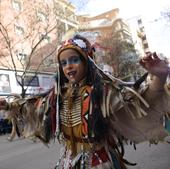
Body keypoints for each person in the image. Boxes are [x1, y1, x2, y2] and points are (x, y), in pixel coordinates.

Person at [0, 34, 170, 169]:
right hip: (69, 162)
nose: (68, 66)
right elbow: (32, 108)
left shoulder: (104, 92)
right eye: (63, 63)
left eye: (74, 60)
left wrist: (160, 77)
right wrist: (7, 105)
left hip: (100, 163)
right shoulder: (57, 96)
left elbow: (140, 103)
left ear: (87, 62)